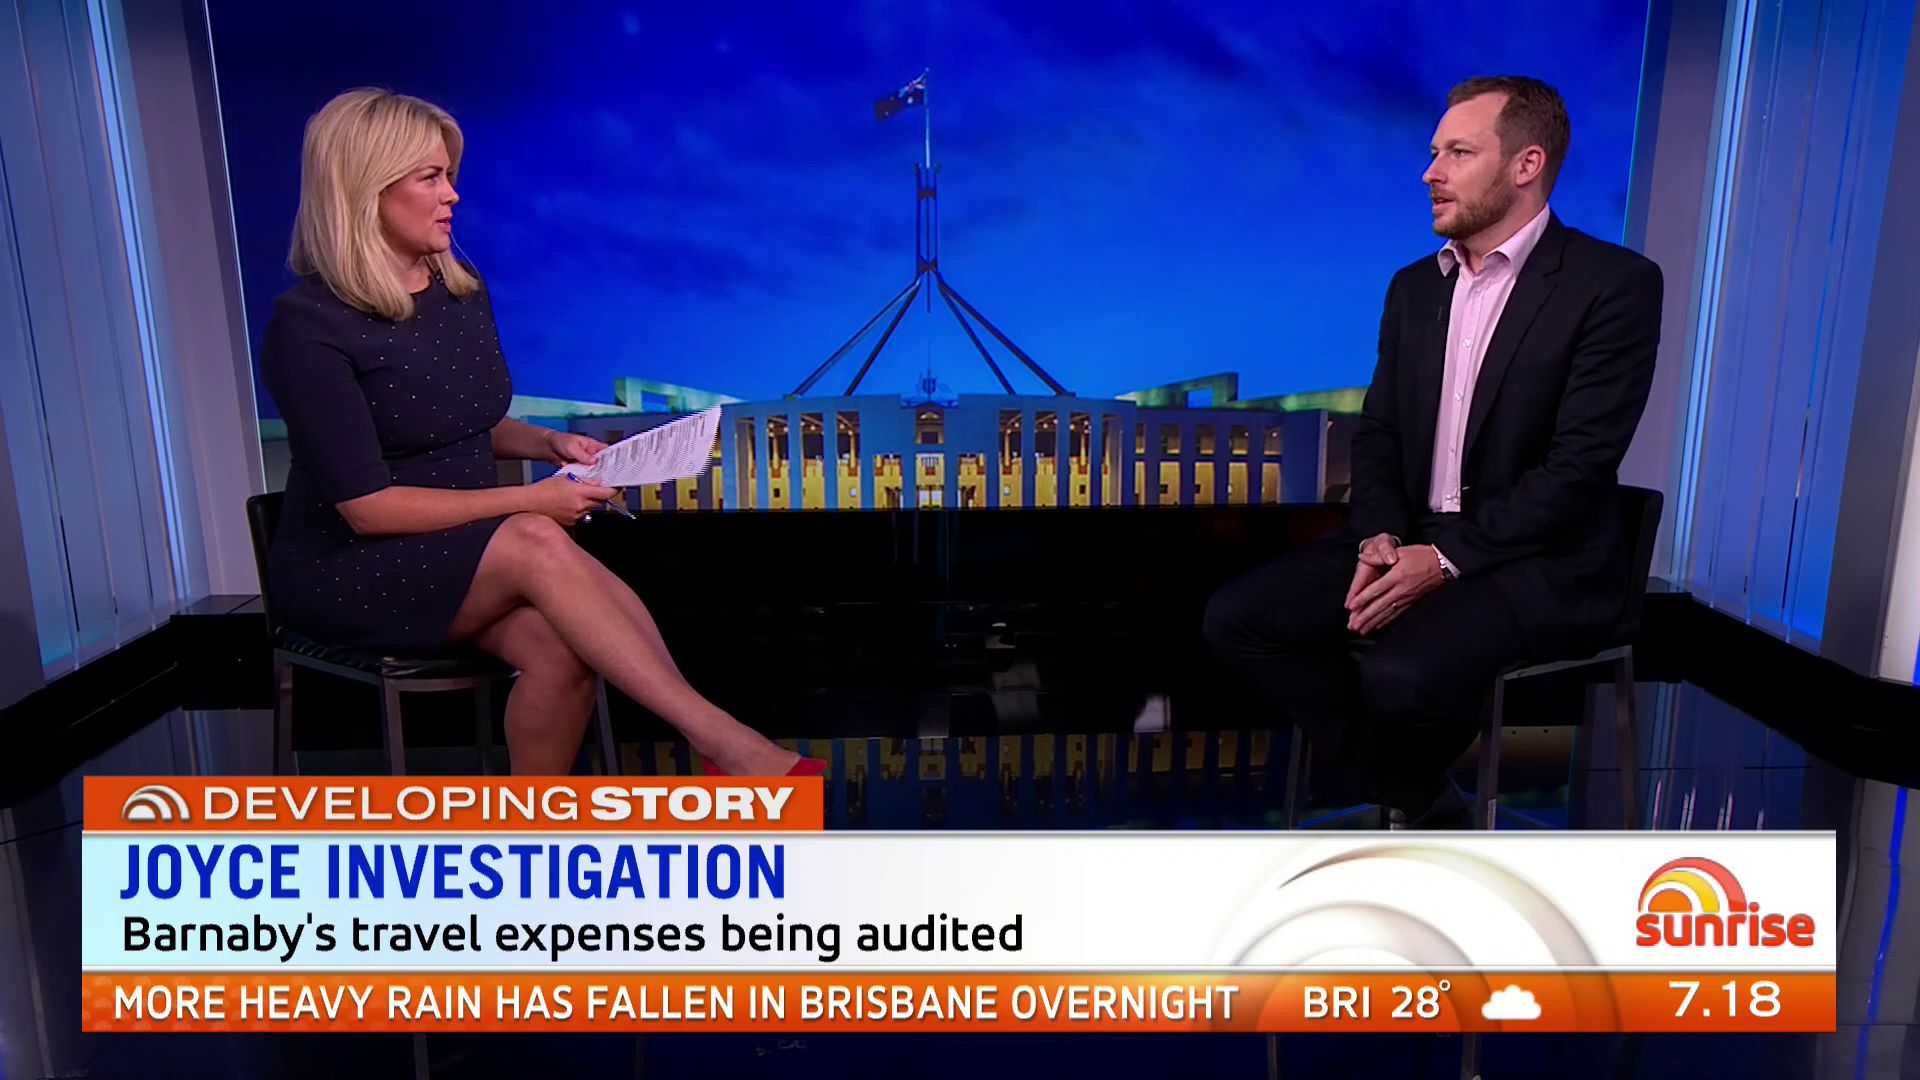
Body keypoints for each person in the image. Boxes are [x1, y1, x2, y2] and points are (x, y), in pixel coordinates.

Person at [261, 88, 820, 778]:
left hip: (460, 554)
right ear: (364, 190)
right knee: (533, 535)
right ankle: (726, 743)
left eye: (450, 175)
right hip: (351, 568)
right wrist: (531, 501)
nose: (452, 195)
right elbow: (368, 508)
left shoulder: (459, 290)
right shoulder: (308, 327)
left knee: (560, 650)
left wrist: (548, 445)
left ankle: (539, 825)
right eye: (430, 178)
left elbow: (452, 420)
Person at [1203, 76, 1663, 827]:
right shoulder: (1413, 289)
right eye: (1432, 152)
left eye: (1458, 153)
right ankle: (1423, 798)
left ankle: (1404, 797)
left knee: (1400, 673)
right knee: (1239, 618)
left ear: (1526, 164)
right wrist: (1382, 534)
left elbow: (1578, 469)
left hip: (1537, 558)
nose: (1430, 173)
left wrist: (1445, 561)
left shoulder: (1613, 285)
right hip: (1410, 535)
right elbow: (1378, 432)